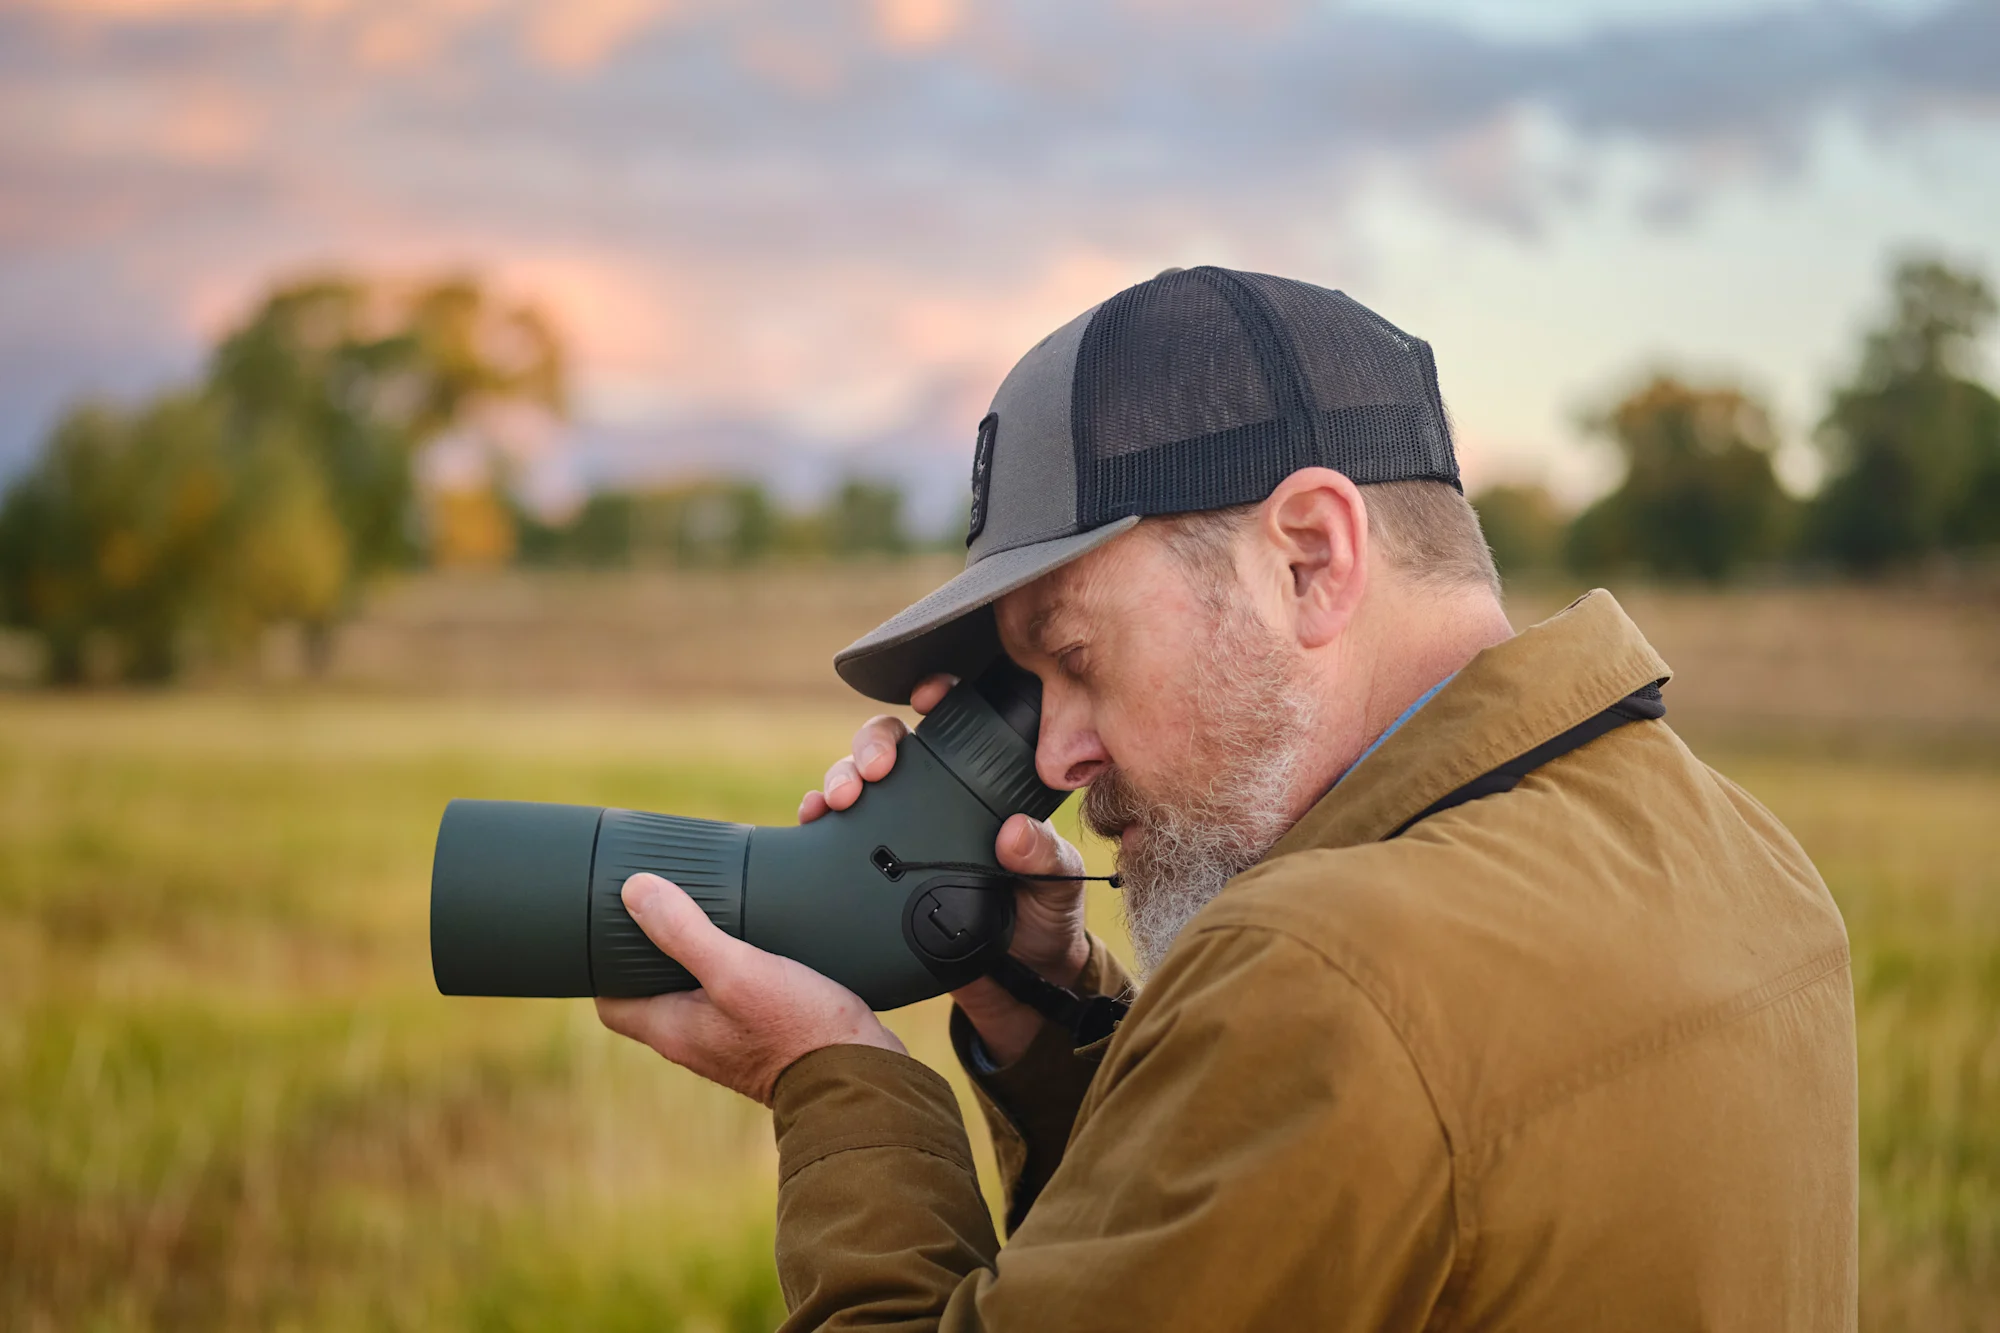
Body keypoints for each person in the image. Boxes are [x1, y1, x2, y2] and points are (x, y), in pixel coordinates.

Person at [596, 267, 1859, 1330]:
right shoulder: (1736, 848)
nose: (1063, 754)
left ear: (1309, 556)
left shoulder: (1327, 968)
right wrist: (1042, 1011)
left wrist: (833, 1074)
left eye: (1074, 658)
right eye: (1026, 689)